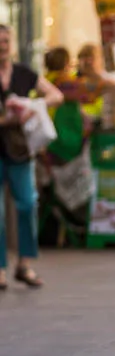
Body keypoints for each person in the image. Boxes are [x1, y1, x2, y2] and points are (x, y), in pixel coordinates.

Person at [0, 25, 64, 288]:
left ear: (12, 44)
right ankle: (0, 269)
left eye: (5, 41)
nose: (2, 46)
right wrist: (6, 120)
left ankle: (24, 264)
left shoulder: (24, 74)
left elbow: (56, 95)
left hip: (20, 152)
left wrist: (33, 106)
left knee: (27, 205)